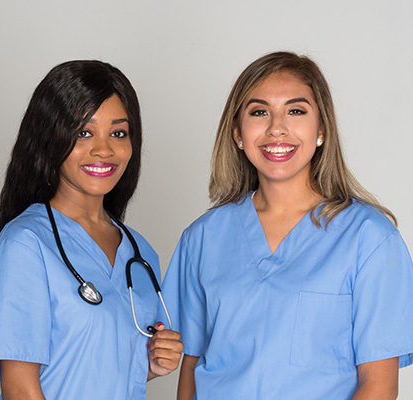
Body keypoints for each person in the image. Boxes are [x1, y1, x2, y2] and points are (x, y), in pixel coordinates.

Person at [163, 51, 413, 399]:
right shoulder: (203, 238)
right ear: (237, 132)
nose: (276, 128)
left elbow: (379, 385)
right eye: (259, 112)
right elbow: (190, 366)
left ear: (321, 128)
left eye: (295, 111)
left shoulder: (370, 239)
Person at [0, 60, 183, 399]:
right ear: (49, 138)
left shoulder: (140, 252)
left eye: (118, 133)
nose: (104, 149)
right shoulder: (26, 245)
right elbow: (20, 388)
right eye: (83, 132)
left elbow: (97, 367)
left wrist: (153, 365)